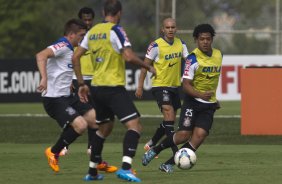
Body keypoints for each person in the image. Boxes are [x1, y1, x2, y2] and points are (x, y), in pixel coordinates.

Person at [72, 0, 156, 182]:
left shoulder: (92, 32)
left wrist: (81, 84)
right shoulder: (116, 30)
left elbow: (76, 56)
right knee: (135, 126)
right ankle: (126, 167)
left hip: (96, 88)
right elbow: (128, 56)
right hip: (113, 87)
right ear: (119, 13)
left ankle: (92, 172)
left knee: (104, 129)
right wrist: (147, 66)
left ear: (103, 12)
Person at [142, 23, 222, 171]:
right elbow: (186, 85)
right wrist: (201, 95)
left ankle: (168, 164)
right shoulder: (192, 59)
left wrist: (213, 99)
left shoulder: (218, 55)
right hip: (193, 102)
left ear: (212, 40)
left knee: (199, 136)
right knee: (184, 134)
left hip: (209, 105)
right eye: (202, 39)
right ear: (196, 40)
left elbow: (211, 79)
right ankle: (155, 149)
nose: (205, 42)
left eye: (208, 39)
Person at [36, 19, 104, 180]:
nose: (82, 39)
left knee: (95, 119)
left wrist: (70, 84)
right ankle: (53, 152)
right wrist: (44, 78)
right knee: (80, 125)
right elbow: (41, 55)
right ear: (71, 34)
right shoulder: (63, 45)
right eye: (81, 35)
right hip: (54, 99)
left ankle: (96, 163)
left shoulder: (70, 49)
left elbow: (61, 69)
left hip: (67, 96)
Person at [61, 7, 118, 174]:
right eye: (84, 20)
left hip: (94, 79)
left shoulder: (95, 35)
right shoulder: (74, 38)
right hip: (77, 79)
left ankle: (91, 147)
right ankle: (63, 145)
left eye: (89, 19)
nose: (87, 22)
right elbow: (67, 57)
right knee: (77, 115)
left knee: (95, 115)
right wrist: (69, 78)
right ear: (79, 20)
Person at [135, 18, 189, 173]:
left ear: (176, 29)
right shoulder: (155, 45)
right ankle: (174, 155)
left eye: (173, 27)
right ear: (162, 30)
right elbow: (145, 66)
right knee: (169, 114)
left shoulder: (181, 44)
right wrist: (139, 86)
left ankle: (152, 144)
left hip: (175, 87)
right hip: (160, 86)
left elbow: (190, 60)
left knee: (169, 121)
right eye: (168, 27)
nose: (170, 29)